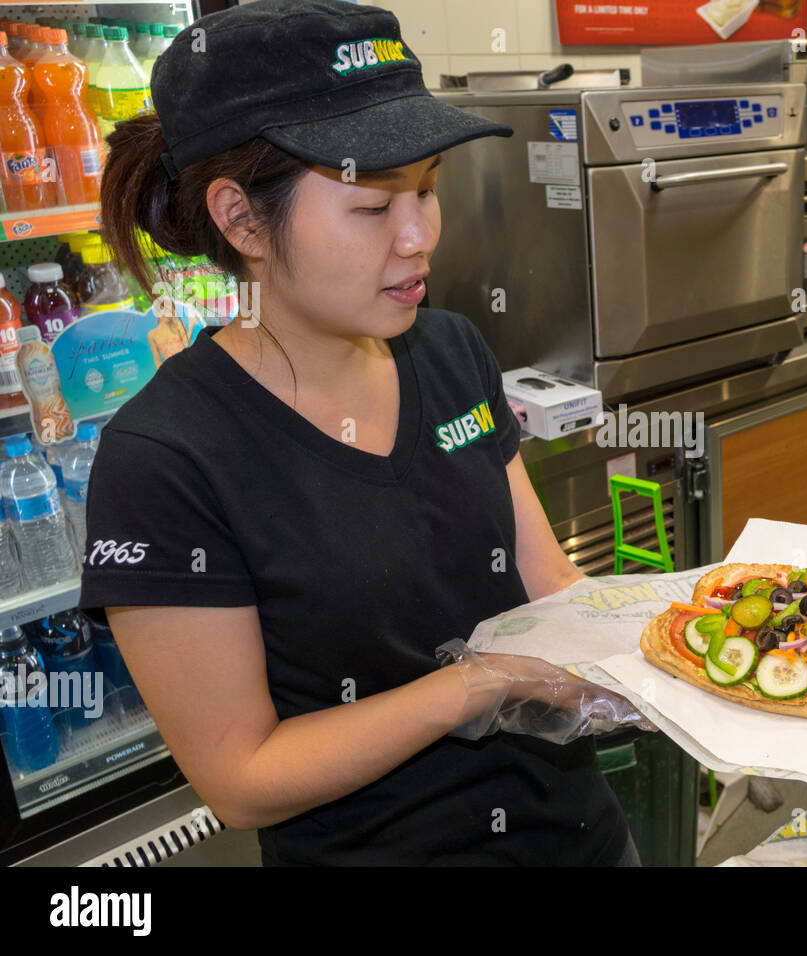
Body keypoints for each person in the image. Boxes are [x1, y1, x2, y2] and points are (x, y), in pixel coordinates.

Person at [79, 0, 644, 866]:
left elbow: (547, 583)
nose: (420, 237)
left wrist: (673, 643)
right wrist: (472, 687)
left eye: (426, 189)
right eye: (374, 208)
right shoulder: (165, 459)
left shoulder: (451, 349)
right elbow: (239, 776)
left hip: (579, 839)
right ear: (240, 221)